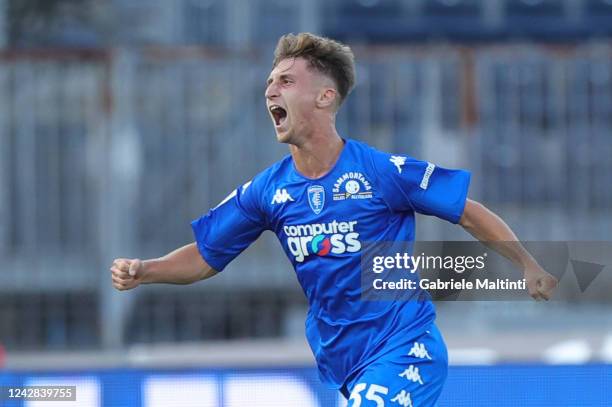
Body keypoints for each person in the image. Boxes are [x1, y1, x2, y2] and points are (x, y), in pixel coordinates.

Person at [110, 33, 557, 406]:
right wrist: (146, 271)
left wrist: (527, 265)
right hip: (343, 360)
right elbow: (207, 256)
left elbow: (469, 213)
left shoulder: (380, 172)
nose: (270, 90)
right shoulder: (268, 190)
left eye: (285, 80)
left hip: (405, 348)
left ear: (325, 96)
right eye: (269, 81)